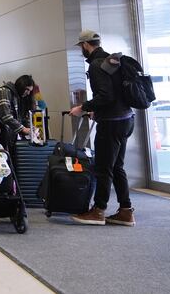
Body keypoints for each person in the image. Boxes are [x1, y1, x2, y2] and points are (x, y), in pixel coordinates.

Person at [70, 30, 136, 227]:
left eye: (81, 47)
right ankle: (126, 211)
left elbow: (105, 96)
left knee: (103, 168)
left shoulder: (98, 65)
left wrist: (83, 107)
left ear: (85, 45)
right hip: (126, 119)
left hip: (112, 123)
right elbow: (114, 95)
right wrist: (96, 111)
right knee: (117, 167)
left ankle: (98, 211)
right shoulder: (111, 61)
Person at [0, 75, 34, 145]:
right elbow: (6, 116)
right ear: (21, 86)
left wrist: (30, 128)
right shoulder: (4, 92)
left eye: (30, 91)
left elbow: (19, 118)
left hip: (1, 131)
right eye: (27, 89)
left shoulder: (15, 95)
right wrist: (24, 129)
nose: (28, 93)